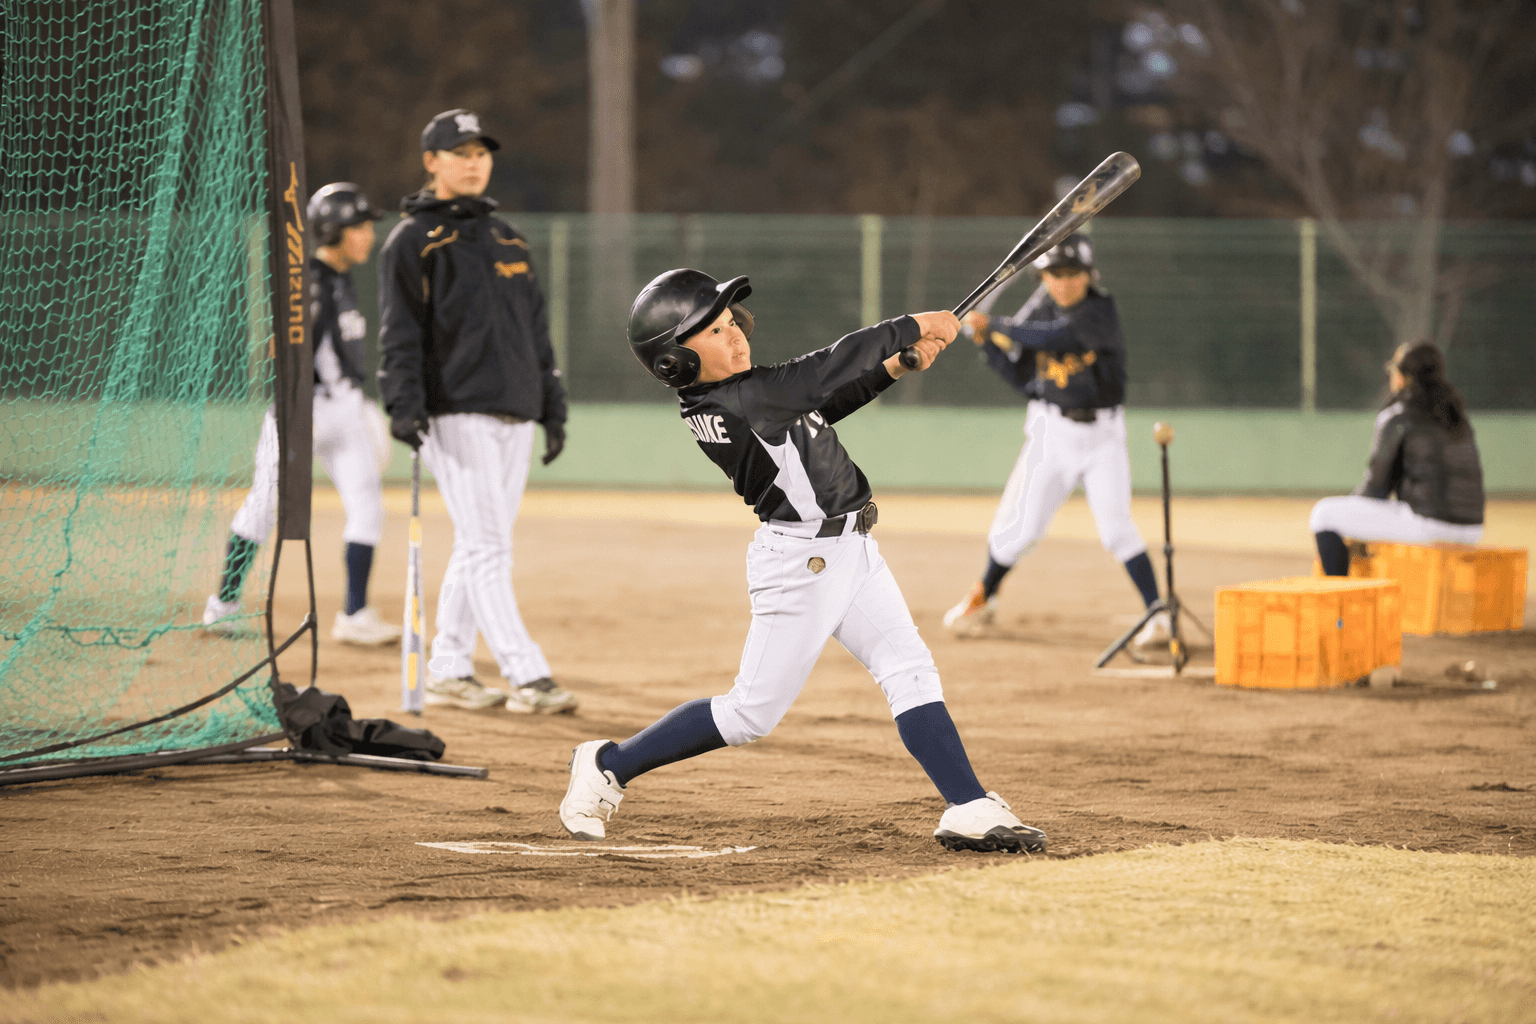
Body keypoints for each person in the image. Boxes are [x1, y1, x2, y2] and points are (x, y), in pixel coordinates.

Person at [557, 269, 1048, 854]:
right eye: (713, 331)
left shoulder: (749, 395)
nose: (735, 333)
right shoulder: (749, 396)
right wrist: (910, 326)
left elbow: (825, 404)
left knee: (909, 670)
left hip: (849, 550)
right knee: (748, 715)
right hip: (804, 564)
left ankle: (967, 805)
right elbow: (825, 370)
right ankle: (607, 762)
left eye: (730, 321)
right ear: (675, 365)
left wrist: (894, 365)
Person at [377, 108, 575, 715]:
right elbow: (400, 334)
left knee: (478, 544)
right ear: (431, 161)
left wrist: (553, 403)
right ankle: (527, 675)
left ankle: (448, 669)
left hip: (515, 411)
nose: (472, 161)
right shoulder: (412, 241)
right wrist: (403, 404)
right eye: (458, 152)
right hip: (454, 413)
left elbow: (536, 333)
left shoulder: (508, 238)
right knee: (491, 547)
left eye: (481, 152)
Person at [939, 234, 1166, 655]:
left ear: (1087, 275)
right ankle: (983, 597)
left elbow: (1054, 338)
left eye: (1071, 274)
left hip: (1102, 436)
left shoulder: (1100, 309)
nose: (1063, 283)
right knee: (1021, 530)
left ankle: (1158, 613)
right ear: (1043, 278)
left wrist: (997, 325)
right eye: (1054, 275)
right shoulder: (1038, 311)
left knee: (1116, 529)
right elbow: (1026, 379)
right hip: (1052, 434)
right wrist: (985, 343)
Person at [203, 183, 401, 647]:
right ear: (332, 230)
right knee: (265, 504)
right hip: (302, 413)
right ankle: (222, 605)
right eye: (360, 226)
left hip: (345, 411)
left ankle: (355, 613)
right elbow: (282, 350)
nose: (368, 235)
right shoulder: (308, 281)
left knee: (368, 506)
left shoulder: (339, 278)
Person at [1311, 341, 1484, 574]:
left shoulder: (1398, 416)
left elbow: (1375, 489)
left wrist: (1354, 518)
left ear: (1402, 377)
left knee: (1324, 514)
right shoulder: (1457, 418)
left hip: (1428, 526)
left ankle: (1340, 606)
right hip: (1473, 529)